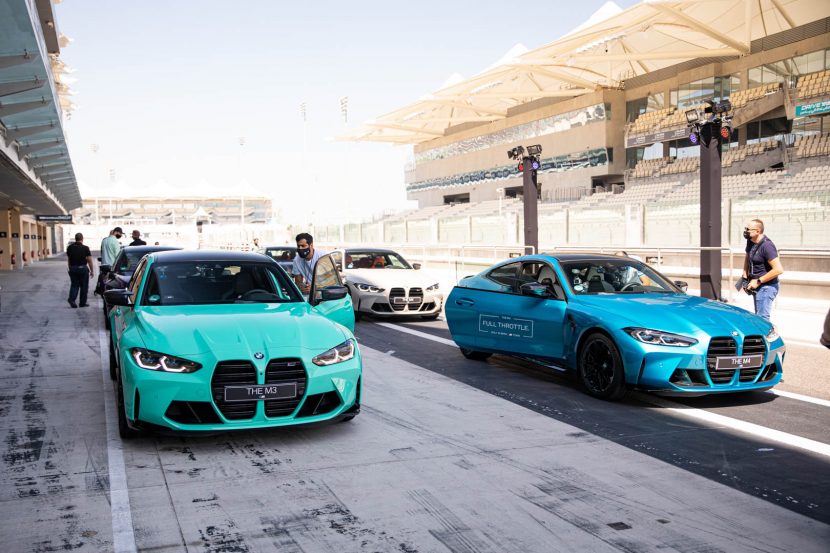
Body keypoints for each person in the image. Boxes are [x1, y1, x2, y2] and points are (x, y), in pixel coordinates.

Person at [742, 218, 783, 322]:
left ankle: (768, 337)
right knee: (758, 318)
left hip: (766, 287)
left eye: (748, 229)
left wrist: (758, 281)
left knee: (762, 319)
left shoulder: (767, 246)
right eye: (745, 228)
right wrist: (745, 276)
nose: (745, 231)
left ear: (757, 231)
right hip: (755, 284)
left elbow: (778, 269)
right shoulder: (750, 241)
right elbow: (747, 257)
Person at [66, 232, 94, 308]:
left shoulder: (70, 247)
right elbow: (89, 260)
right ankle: (82, 303)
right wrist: (92, 271)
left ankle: (72, 299)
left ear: (76, 239)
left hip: (73, 268)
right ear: (82, 239)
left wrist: (70, 268)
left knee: (74, 285)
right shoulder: (85, 248)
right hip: (82, 269)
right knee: (84, 286)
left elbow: (69, 259)